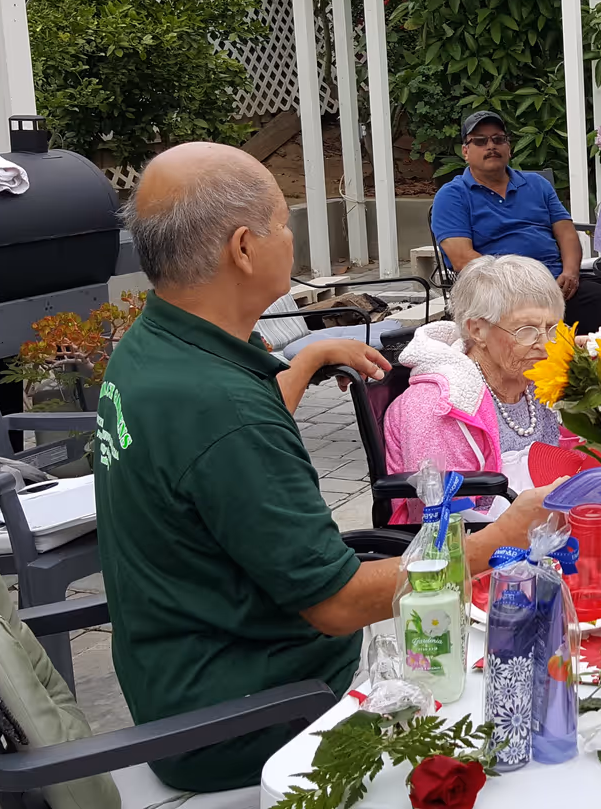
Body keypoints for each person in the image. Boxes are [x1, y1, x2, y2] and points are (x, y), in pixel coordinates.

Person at [97, 143, 553, 791]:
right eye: (283, 222)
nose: (292, 237)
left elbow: (225, 451)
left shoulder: (157, 347)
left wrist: (308, 360)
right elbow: (337, 605)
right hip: (251, 712)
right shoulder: (217, 406)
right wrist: (497, 541)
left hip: (188, 672)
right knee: (513, 715)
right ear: (243, 249)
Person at [384, 255, 567, 524]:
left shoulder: (537, 381)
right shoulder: (439, 404)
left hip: (548, 530)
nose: (545, 344)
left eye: (551, 329)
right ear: (478, 330)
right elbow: (446, 518)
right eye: (526, 330)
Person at [431, 110, 601, 332]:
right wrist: (523, 289)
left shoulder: (537, 184)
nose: (491, 146)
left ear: (508, 148)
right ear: (465, 152)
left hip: (557, 287)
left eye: (498, 139)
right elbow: (463, 258)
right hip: (497, 295)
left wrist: (570, 272)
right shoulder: (452, 195)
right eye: (480, 141)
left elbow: (566, 233)